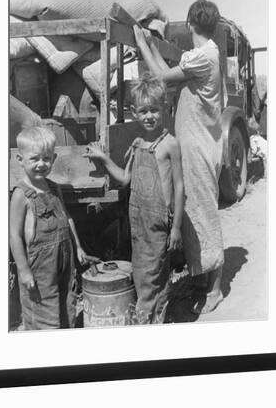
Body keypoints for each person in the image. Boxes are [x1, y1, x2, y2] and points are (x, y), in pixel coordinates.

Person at [133, 0, 225, 314]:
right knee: (193, 213)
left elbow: (160, 77)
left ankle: (214, 289)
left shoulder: (203, 55)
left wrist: (141, 44)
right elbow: (168, 70)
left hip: (200, 146)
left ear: (189, 24)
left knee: (204, 214)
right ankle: (201, 281)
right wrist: (153, 47)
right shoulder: (205, 54)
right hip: (196, 144)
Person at [85, 74, 184, 324]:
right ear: (133, 113)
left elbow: (181, 188)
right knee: (145, 271)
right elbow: (125, 179)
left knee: (152, 273)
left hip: (159, 219)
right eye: (143, 111)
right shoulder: (137, 144)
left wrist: (176, 227)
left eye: (154, 110)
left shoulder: (170, 144)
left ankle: (145, 319)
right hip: (137, 219)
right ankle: (158, 317)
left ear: (164, 109)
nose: (149, 116)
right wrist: (102, 158)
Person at [10, 126, 98, 329]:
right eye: (34, 159)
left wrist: (78, 247)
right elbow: (14, 235)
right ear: (20, 160)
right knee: (44, 316)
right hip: (39, 268)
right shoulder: (21, 195)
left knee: (67, 306)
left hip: (64, 262)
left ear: (54, 157)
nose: (42, 164)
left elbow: (67, 219)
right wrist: (23, 270)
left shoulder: (54, 188)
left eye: (47, 158)